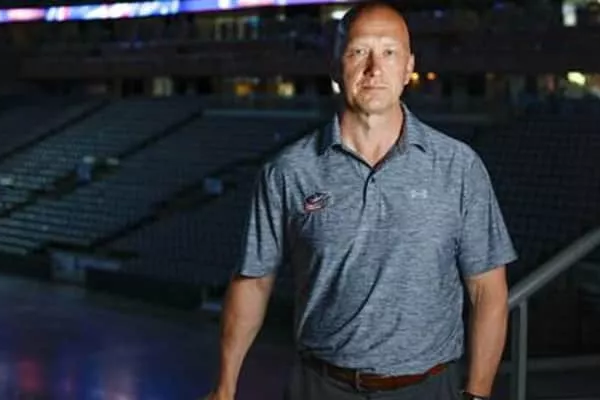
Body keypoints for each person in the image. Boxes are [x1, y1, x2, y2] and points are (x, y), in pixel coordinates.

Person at [205, 2, 517, 399]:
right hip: (319, 386)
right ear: (336, 66)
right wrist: (225, 385)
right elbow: (254, 281)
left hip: (427, 387)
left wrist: (477, 393)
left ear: (408, 66)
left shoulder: (458, 166)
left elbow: (487, 290)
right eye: (358, 51)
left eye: (389, 52)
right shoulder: (288, 171)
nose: (374, 68)